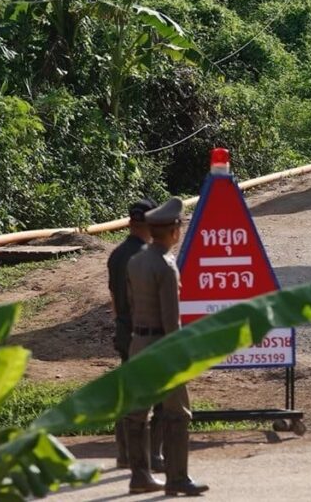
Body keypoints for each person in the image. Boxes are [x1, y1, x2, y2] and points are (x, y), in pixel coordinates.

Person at [125, 197, 209, 496]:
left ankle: (139, 476)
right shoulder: (166, 265)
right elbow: (171, 319)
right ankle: (177, 478)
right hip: (162, 344)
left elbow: (134, 304)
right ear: (174, 230)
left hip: (139, 341)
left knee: (138, 412)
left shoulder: (136, 261)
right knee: (178, 413)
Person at [106, 198, 165, 472]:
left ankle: (124, 454)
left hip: (124, 329)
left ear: (130, 222)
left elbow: (115, 299)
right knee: (159, 396)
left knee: (127, 394)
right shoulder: (149, 257)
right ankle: (153, 456)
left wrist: (122, 324)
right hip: (147, 332)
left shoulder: (116, 255)